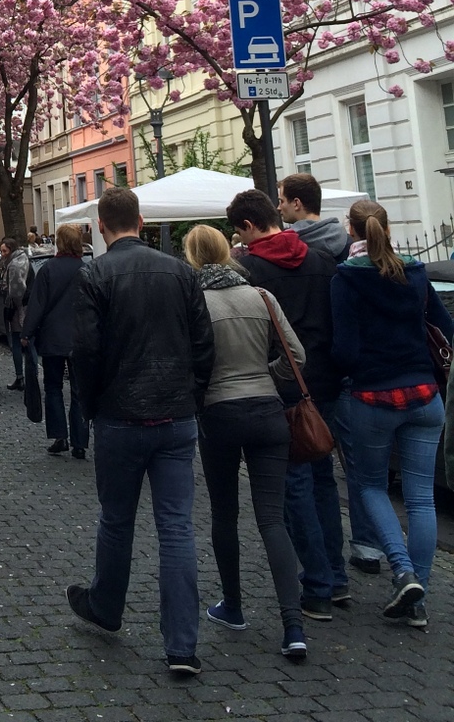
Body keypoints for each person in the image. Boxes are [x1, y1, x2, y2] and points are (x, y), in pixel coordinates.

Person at [69, 186, 214, 679]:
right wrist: (192, 397)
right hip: (175, 415)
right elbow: (203, 344)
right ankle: (182, 645)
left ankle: (106, 605)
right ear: (142, 221)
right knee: (176, 527)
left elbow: (85, 351)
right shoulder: (181, 272)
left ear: (100, 227)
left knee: (116, 520)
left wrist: (91, 406)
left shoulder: (96, 274)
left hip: (119, 416)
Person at [228, 186, 359, 615]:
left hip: (282, 385)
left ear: (249, 225)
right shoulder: (321, 260)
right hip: (324, 382)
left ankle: (317, 584)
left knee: (294, 485)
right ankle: (336, 577)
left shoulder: (249, 269)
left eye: (240, 232)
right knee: (323, 479)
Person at [183, 224, 308, 661]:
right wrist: (265, 376)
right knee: (272, 519)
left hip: (219, 412)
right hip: (268, 411)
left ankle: (233, 605)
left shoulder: (195, 302)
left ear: (192, 257)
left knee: (224, 513)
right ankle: (293, 625)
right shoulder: (262, 297)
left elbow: (189, 362)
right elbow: (297, 357)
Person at [331, 199, 453, 626]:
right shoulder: (415, 272)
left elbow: (344, 349)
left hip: (374, 397)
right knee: (421, 498)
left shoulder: (346, 278)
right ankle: (417, 602)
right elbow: (446, 328)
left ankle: (402, 571)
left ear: (352, 230)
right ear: (387, 228)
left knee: (370, 485)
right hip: (424, 395)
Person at [22, 222, 88, 456]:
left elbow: (37, 304)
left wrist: (27, 333)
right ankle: (80, 442)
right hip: (80, 337)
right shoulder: (86, 270)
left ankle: (60, 436)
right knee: (79, 391)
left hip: (52, 336)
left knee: (53, 387)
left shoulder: (48, 269)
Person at [278, 173, 351, 261]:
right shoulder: (348, 241)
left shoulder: (285, 247)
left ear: (296, 203)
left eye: (282, 201)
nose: (278, 207)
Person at [0, 236, 32, 390]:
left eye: (4, 251)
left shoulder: (14, 265)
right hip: (28, 306)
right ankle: (30, 377)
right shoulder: (24, 259)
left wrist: (8, 295)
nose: (3, 254)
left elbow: (16, 292)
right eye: (1, 251)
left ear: (11, 250)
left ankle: (20, 377)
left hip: (18, 309)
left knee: (17, 342)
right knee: (29, 342)